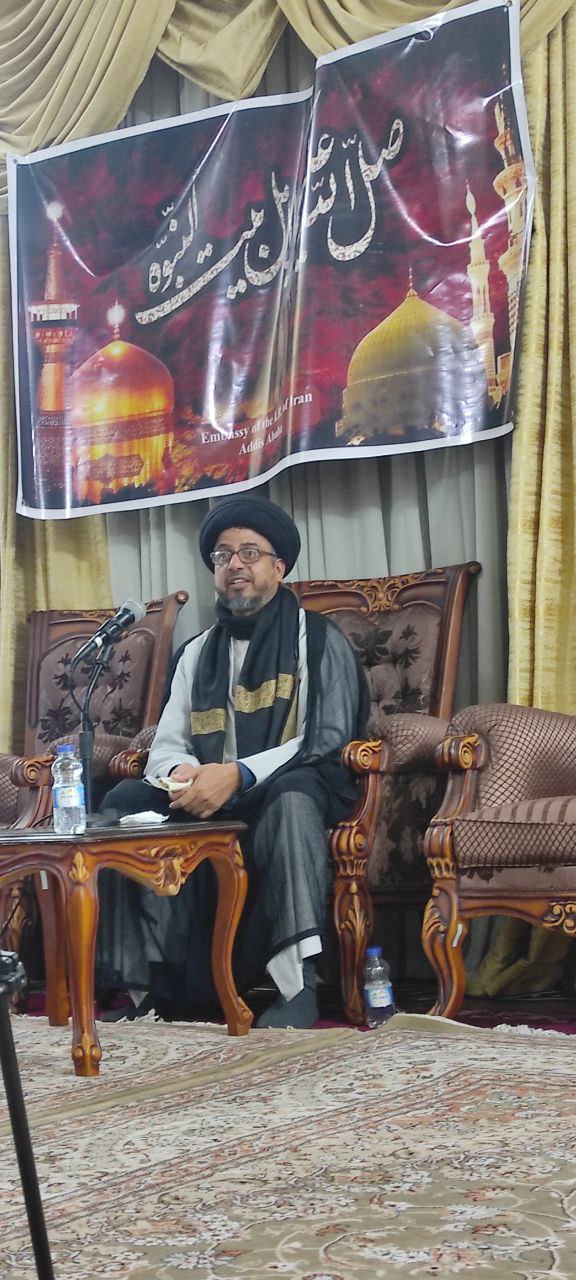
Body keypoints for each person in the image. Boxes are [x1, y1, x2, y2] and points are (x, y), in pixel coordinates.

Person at [96, 494, 369, 1029]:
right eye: (223, 556)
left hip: (286, 784)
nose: (235, 565)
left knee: (293, 801)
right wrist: (179, 775)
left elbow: (324, 738)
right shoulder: (198, 651)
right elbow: (168, 743)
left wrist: (239, 774)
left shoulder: (316, 638)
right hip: (204, 793)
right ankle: (148, 989)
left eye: (250, 553)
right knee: (123, 801)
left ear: (279, 567)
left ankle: (297, 986)